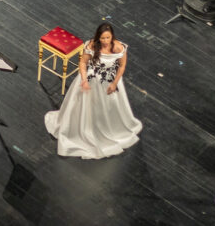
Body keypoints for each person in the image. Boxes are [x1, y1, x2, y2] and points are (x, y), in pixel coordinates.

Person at [44, 22, 142, 159]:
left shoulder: (119, 48)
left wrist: (115, 83)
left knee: (108, 109)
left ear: (112, 37)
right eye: (102, 38)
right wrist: (84, 80)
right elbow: (83, 63)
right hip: (91, 80)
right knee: (84, 109)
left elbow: (122, 66)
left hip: (109, 82)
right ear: (98, 37)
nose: (105, 41)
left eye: (108, 38)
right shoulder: (91, 45)